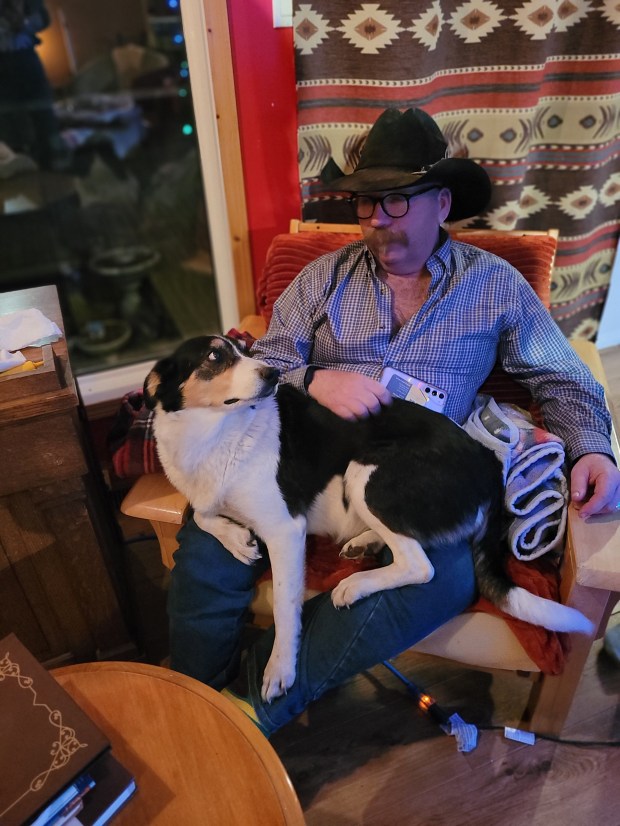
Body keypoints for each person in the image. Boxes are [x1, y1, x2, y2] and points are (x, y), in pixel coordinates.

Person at [168, 107, 620, 735]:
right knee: (206, 540)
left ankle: (245, 714)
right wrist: (314, 378)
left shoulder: (496, 286)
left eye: (396, 201)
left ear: (442, 202)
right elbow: (267, 363)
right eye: (365, 203)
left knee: (443, 581)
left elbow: (563, 378)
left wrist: (593, 448)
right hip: (298, 460)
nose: (377, 219)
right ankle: (188, 702)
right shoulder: (322, 279)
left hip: (417, 467)